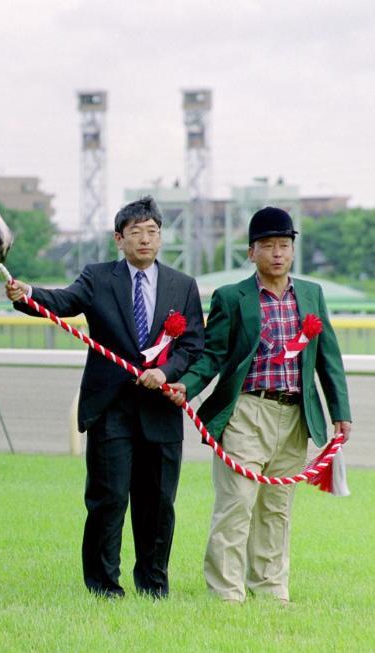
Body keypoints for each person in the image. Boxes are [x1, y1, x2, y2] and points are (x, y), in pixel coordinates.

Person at [6, 197, 204, 598]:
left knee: (158, 504)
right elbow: (63, 302)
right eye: (136, 233)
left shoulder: (182, 286)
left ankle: (153, 585)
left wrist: (164, 373)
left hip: (160, 411)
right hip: (110, 408)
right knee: (108, 499)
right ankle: (103, 586)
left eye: (152, 232)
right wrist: (26, 293)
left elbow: (193, 346)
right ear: (119, 238)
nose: (145, 240)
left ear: (161, 237)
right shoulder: (98, 278)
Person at [166, 207, 351, 604]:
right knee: (236, 504)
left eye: (284, 245)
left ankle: (270, 590)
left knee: (277, 508)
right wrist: (184, 383)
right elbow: (213, 355)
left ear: (293, 250)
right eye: (267, 246)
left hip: (296, 416)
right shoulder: (232, 297)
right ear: (251, 253)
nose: (277, 253)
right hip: (246, 413)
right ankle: (226, 593)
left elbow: (328, 359)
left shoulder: (311, 294)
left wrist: (341, 413)